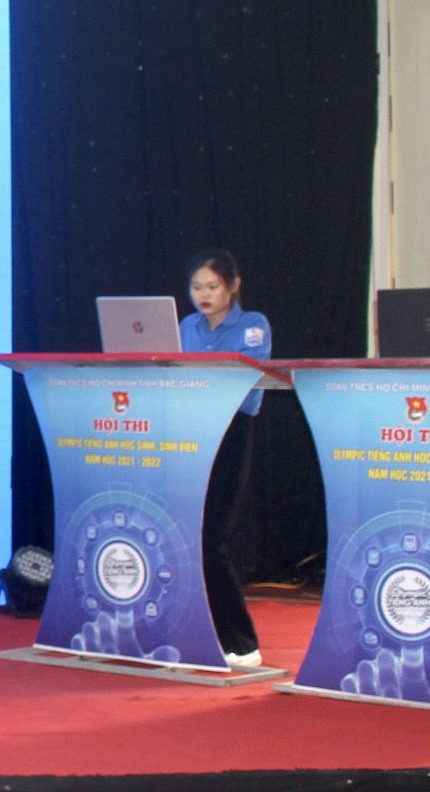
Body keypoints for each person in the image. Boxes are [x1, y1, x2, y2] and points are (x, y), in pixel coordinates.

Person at [175, 248, 270, 671]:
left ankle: (242, 642)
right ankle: (198, 634)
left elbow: (246, 380)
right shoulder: (185, 327)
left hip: (231, 431)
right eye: (196, 287)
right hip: (190, 433)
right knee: (186, 537)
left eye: (212, 286)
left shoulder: (253, 326)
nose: (203, 295)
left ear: (233, 286)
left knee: (212, 539)